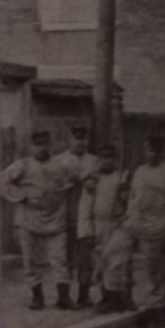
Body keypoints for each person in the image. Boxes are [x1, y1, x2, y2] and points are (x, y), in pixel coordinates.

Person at [0, 129, 76, 310]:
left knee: (60, 259)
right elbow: (2, 180)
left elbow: (72, 183)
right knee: (30, 260)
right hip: (29, 219)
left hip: (56, 219)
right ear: (32, 146)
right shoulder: (23, 165)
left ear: (50, 145)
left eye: (45, 144)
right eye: (38, 144)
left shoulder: (60, 165)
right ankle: (37, 297)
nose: (42, 148)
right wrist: (20, 196)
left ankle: (64, 297)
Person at [123, 136, 165, 316]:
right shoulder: (140, 171)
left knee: (161, 270)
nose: (151, 153)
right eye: (148, 150)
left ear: (160, 152)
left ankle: (159, 309)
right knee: (148, 269)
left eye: (154, 150)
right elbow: (133, 199)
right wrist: (132, 222)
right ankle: (152, 304)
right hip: (143, 228)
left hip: (161, 227)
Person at [76, 145, 130, 312]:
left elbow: (128, 203)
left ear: (115, 159)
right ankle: (105, 297)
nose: (107, 161)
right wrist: (87, 232)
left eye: (110, 157)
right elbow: (85, 208)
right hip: (97, 225)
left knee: (116, 262)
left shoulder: (120, 178)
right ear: (98, 160)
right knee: (99, 264)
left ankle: (119, 298)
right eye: (103, 157)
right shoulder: (93, 181)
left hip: (116, 225)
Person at [55, 126, 99, 307]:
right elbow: (58, 184)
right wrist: (78, 178)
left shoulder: (93, 160)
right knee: (63, 257)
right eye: (76, 138)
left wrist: (81, 178)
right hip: (64, 216)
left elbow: (93, 184)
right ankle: (63, 297)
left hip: (86, 216)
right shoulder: (59, 160)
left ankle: (84, 295)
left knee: (85, 258)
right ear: (69, 140)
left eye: (83, 138)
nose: (80, 142)